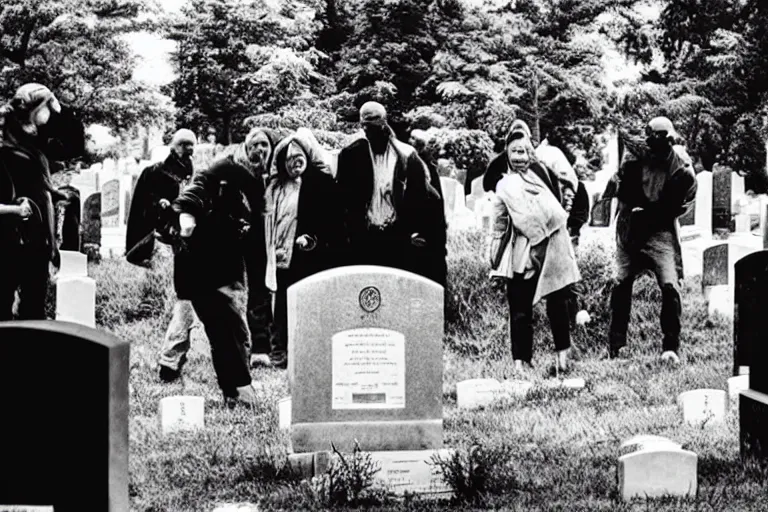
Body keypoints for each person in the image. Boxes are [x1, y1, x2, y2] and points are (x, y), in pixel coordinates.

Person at [172, 127, 275, 408]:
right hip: (202, 270)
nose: (260, 153)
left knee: (231, 333)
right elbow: (192, 194)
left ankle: (233, 392)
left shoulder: (249, 187)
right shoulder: (220, 175)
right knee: (228, 331)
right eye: (255, 146)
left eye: (266, 147)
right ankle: (241, 390)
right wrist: (187, 219)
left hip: (222, 271)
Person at [485, 121, 581, 375]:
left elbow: (559, 203)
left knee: (558, 303)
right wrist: (494, 259)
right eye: (513, 151)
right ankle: (521, 364)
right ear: (506, 153)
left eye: (523, 151)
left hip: (552, 247)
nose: (518, 157)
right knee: (519, 307)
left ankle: (562, 359)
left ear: (531, 152)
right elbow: (500, 223)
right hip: (521, 250)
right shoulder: (503, 184)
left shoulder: (544, 174)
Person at [605, 117, 696, 365]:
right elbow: (624, 192)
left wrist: (651, 213)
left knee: (669, 284)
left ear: (670, 141)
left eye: (662, 141)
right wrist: (635, 219)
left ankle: (670, 346)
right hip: (630, 227)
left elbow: (676, 206)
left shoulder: (681, 168)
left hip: (659, 229)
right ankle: (617, 346)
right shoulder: (633, 159)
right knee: (621, 282)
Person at [335, 102, 446, 285]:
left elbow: (424, 199)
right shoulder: (350, 155)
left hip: (397, 238)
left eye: (374, 121)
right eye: (365, 123)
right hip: (364, 239)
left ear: (384, 122)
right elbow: (343, 200)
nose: (368, 128)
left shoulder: (405, 156)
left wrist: (416, 233)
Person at [0, 83, 85, 320]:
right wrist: (16, 210)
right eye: (49, 106)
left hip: (34, 235)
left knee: (33, 304)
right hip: (12, 236)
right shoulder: (7, 149)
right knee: (6, 303)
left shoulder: (31, 143)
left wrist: (50, 193)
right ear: (38, 109)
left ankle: (26, 352)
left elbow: (74, 147)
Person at [263, 128, 345, 368]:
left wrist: (312, 239)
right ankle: (279, 350)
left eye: (299, 158)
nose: (294, 164)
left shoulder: (321, 184)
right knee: (281, 306)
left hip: (311, 257)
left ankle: (308, 351)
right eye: (289, 160)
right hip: (281, 255)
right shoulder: (276, 187)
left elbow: (332, 222)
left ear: (308, 158)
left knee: (308, 304)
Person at [125, 128, 201, 382]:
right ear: (172, 145)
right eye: (183, 144)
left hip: (192, 244)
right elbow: (140, 209)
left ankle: (172, 358)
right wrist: (160, 207)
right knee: (179, 299)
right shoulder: (155, 172)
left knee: (189, 299)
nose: (188, 149)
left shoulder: (197, 174)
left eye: (191, 145)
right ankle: (170, 358)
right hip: (164, 241)